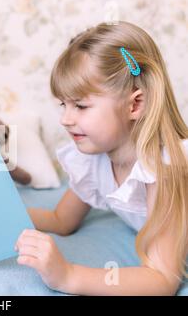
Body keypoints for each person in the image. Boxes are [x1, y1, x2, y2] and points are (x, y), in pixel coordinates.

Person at [15, 21, 188, 295]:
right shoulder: (93, 159)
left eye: (80, 106)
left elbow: (162, 279)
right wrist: (2, 214)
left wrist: (68, 275)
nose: (65, 119)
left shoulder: (161, 169)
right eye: (64, 104)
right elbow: (61, 220)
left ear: (135, 105)